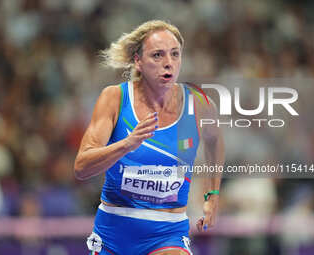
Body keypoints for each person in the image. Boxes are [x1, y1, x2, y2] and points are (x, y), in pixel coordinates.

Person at [74, 20, 224, 255]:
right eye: (157, 55)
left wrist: (212, 194)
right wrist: (126, 145)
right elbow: (82, 167)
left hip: (168, 233)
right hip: (114, 232)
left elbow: (215, 143)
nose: (168, 63)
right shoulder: (115, 98)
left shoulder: (199, 104)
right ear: (138, 61)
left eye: (175, 54)